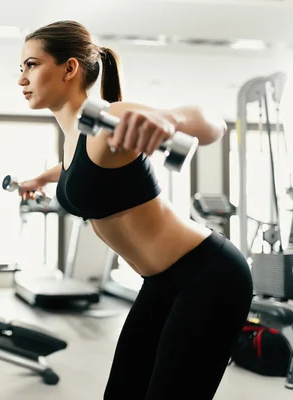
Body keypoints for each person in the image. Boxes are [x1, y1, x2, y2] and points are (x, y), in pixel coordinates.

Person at [16, 20, 253, 399]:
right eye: (22, 68)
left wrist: (171, 118)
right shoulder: (73, 138)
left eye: (31, 64)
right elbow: (76, 170)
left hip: (208, 275)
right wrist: (41, 181)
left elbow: (214, 126)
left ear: (69, 68)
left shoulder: (109, 117)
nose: (22, 78)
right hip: (161, 283)